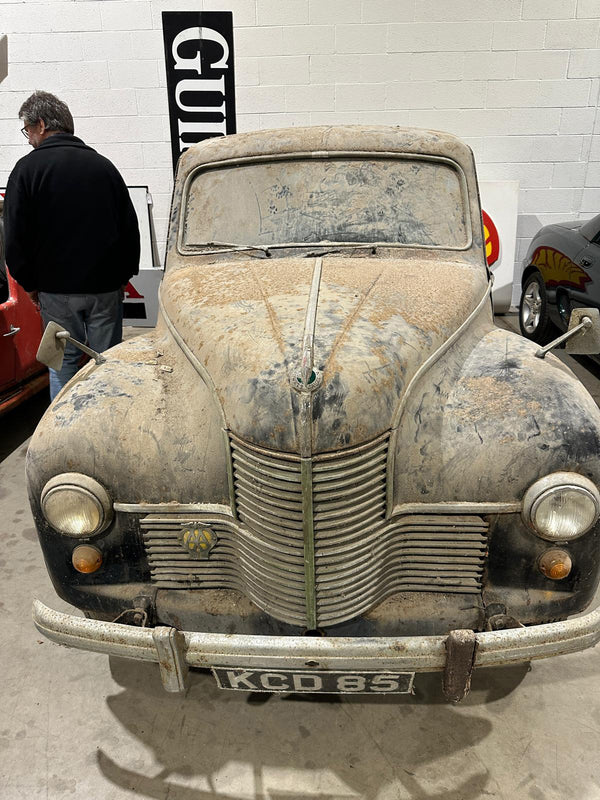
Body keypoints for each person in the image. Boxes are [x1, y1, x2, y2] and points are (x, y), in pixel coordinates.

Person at [3, 90, 140, 399]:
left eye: (27, 130)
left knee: (62, 366)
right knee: (107, 363)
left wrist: (30, 285)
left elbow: (15, 238)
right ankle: (108, 424)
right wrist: (124, 277)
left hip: (56, 292)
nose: (27, 138)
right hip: (105, 288)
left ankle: (65, 437)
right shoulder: (104, 167)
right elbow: (130, 229)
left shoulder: (26, 172)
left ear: (40, 125)